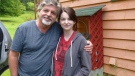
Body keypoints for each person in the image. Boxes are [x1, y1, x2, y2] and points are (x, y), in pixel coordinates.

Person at [8, 0, 93, 76]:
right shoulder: (23, 29)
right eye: (46, 10)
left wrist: (86, 42)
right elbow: (13, 55)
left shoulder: (57, 28)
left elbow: (71, 34)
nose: (48, 14)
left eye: (53, 13)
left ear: (56, 17)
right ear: (39, 11)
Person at [52, 7, 91, 76]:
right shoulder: (56, 37)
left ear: (74, 21)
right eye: (63, 19)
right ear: (59, 21)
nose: (66, 22)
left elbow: (86, 69)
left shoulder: (81, 41)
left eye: (69, 19)